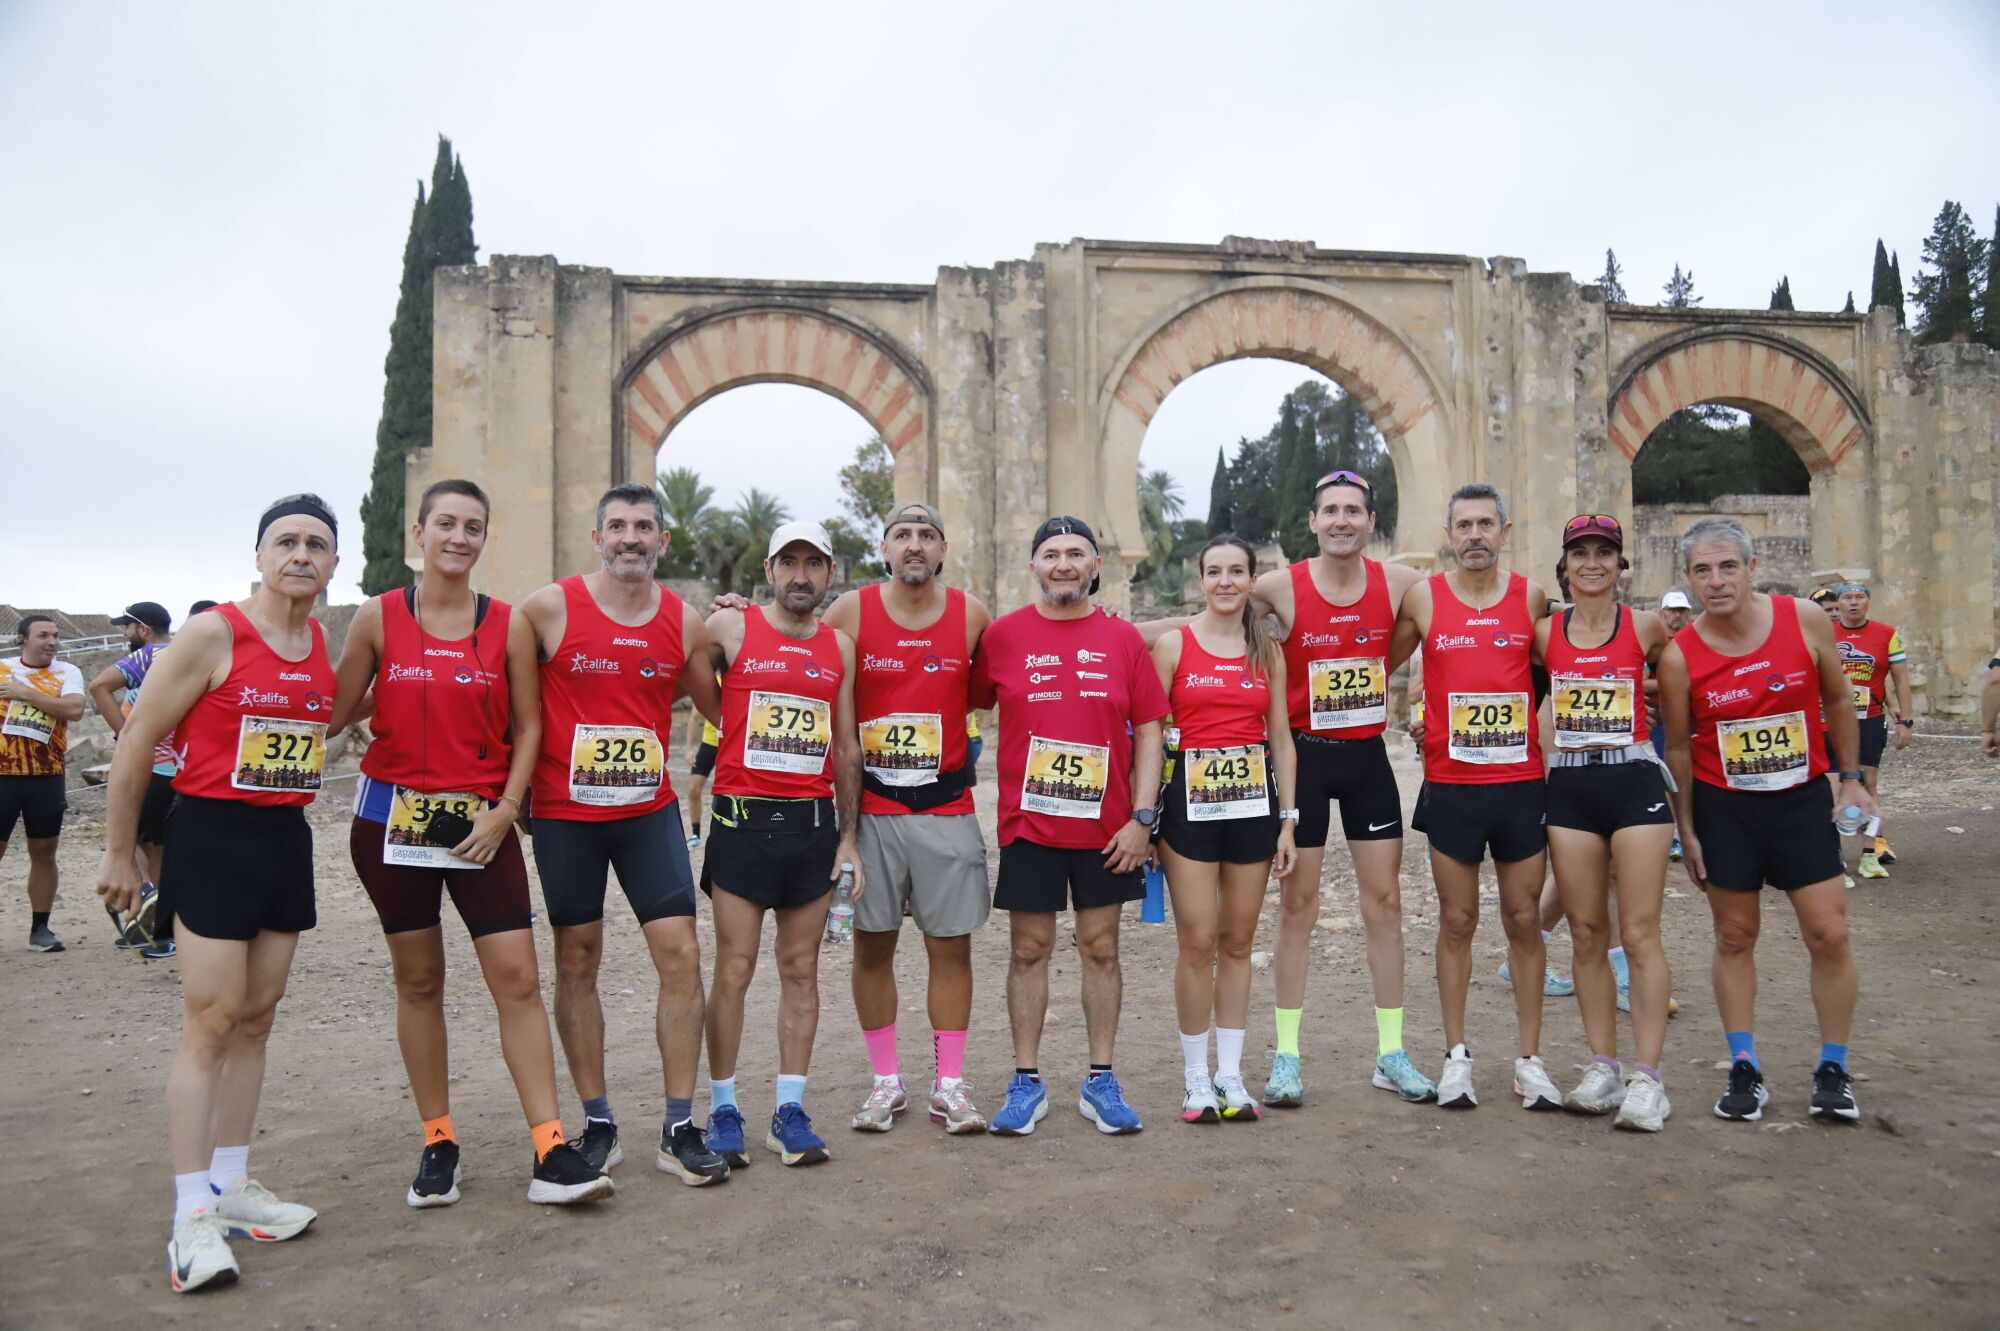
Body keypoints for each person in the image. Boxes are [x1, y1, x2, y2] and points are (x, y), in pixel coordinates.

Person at [331, 479, 611, 1208]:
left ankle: (550, 1148)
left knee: (517, 978)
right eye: (446, 524)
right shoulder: (377, 616)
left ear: (485, 537)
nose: (458, 537)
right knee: (420, 980)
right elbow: (331, 709)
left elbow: (530, 724)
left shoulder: (507, 623)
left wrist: (507, 809)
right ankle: (438, 1142)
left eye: (473, 526)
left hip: (481, 826)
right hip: (390, 822)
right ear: (418, 533)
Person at [95, 494, 341, 1293]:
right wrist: (120, 851)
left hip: (284, 837)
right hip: (211, 835)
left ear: (333, 564)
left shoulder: (319, 643)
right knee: (210, 1019)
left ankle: (232, 1186)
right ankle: (189, 1212)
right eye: (286, 541)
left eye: (316, 544)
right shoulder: (213, 633)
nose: (300, 554)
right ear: (259, 556)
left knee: (258, 1016)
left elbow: (317, 727)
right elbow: (139, 735)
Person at [520, 483, 729, 1187]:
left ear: (663, 541)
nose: (630, 537)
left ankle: (678, 1126)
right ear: (598, 537)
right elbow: (507, 699)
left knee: (681, 954)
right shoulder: (547, 608)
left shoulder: (682, 620)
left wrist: (750, 631)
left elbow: (720, 709)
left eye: (643, 526)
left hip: (647, 813)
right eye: (618, 526)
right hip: (565, 815)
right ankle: (599, 1123)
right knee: (577, 959)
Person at [1657, 517, 1871, 1125]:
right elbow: (1678, 748)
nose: (1717, 581)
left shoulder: (1803, 619)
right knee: (1734, 936)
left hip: (1800, 799)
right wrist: (1686, 830)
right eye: (1703, 570)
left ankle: (1833, 1067)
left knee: (1829, 932)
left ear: (1753, 568)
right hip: (1726, 807)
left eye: (1729, 566)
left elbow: (1838, 698)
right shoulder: (1680, 656)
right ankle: (1744, 1065)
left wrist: (1851, 778)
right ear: (1688, 578)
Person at [974, 517, 1167, 1137]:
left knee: (1101, 948)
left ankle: (1100, 1080)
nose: (1063, 564)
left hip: (1108, 831)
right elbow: (955, 695)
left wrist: (1143, 819)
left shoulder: (1122, 638)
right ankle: (1025, 1082)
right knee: (1028, 950)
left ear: (1095, 566)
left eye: (1076, 553)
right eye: (1051, 553)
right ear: (1033, 565)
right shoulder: (1002, 636)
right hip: (1029, 825)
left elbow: (1151, 731)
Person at [822, 502, 993, 1135]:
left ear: (943, 549)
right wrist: (736, 611)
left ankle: (949, 1086)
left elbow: (991, 689)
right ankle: (886, 1083)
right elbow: (796, 645)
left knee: (951, 948)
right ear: (885, 549)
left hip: (946, 807)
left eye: (926, 535)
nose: (914, 544)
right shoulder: (850, 612)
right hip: (871, 812)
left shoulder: (971, 615)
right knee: (873, 947)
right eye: (902, 535)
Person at [1390, 483, 1559, 1111]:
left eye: (1485, 524)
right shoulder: (1424, 599)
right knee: (1457, 920)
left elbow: (1571, 665)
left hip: (1518, 785)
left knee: (1524, 919)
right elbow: (1376, 663)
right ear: (1449, 534)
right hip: (1453, 787)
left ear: (1504, 532)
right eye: (1463, 526)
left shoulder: (1531, 598)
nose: (1475, 536)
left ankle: (1529, 1060)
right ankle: (1456, 1057)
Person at [700, 520, 861, 1167]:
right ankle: (724, 1109)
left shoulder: (839, 646)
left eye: (813, 563)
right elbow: (680, 676)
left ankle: (789, 1110)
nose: (800, 575)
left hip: (811, 828)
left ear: (829, 574)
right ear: (768, 570)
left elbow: (846, 746)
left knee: (800, 969)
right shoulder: (730, 627)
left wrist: (850, 838)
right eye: (788, 562)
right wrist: (729, 723)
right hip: (741, 825)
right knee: (734, 968)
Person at [1536, 516, 1676, 1131]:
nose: (1591, 563)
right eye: (1580, 553)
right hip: (1571, 784)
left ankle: (1649, 1078)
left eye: (1604, 553)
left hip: (1634, 778)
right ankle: (1603, 1065)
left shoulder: (1646, 627)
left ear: (1621, 565)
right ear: (1565, 566)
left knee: (1639, 932)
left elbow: (1680, 690)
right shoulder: (1544, 633)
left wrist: (1652, 696)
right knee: (1587, 931)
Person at [1152, 534, 1297, 1123]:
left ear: (1252, 581)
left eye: (1237, 571)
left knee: (1238, 942)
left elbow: (1281, 737)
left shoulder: (1268, 652)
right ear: (1201, 580)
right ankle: (1195, 1077)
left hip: (1252, 809)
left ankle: (1231, 1074)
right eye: (1215, 571)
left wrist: (1288, 820)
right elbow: (1150, 734)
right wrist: (1144, 817)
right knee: (1198, 940)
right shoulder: (1173, 646)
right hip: (1189, 810)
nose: (1225, 582)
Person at [87, 602, 176, 951]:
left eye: (126, 627)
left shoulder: (149, 655)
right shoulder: (189, 652)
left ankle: (150, 920)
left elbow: (99, 686)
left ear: (142, 629)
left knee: (133, 841)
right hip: (183, 767)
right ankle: (161, 932)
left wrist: (124, 736)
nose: (124, 634)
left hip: (149, 764)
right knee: (159, 847)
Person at [2, 613, 87, 953]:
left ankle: (40, 929)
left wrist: (24, 693)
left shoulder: (67, 672)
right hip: (2, 776)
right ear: (23, 638)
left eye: (55, 635)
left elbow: (75, 709)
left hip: (46, 775)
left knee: (44, 852)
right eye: (43, 635)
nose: (52, 642)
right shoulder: (3, 669)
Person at [1828, 582, 1911, 878]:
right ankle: (1835, 858)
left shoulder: (1887, 634)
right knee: (1834, 788)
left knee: (1869, 784)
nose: (1853, 603)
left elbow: (1900, 679)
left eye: (1859, 597)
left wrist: (1905, 721)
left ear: (1868, 602)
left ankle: (1870, 853)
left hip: (1869, 718)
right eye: (1847, 597)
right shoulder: (1825, 633)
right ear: (1838, 603)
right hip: (1830, 721)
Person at [683, 703, 719, 852]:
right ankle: (695, 836)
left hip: (731, 743)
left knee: (725, 793)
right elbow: (694, 717)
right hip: (709, 743)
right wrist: (689, 748)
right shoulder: (711, 690)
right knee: (693, 789)